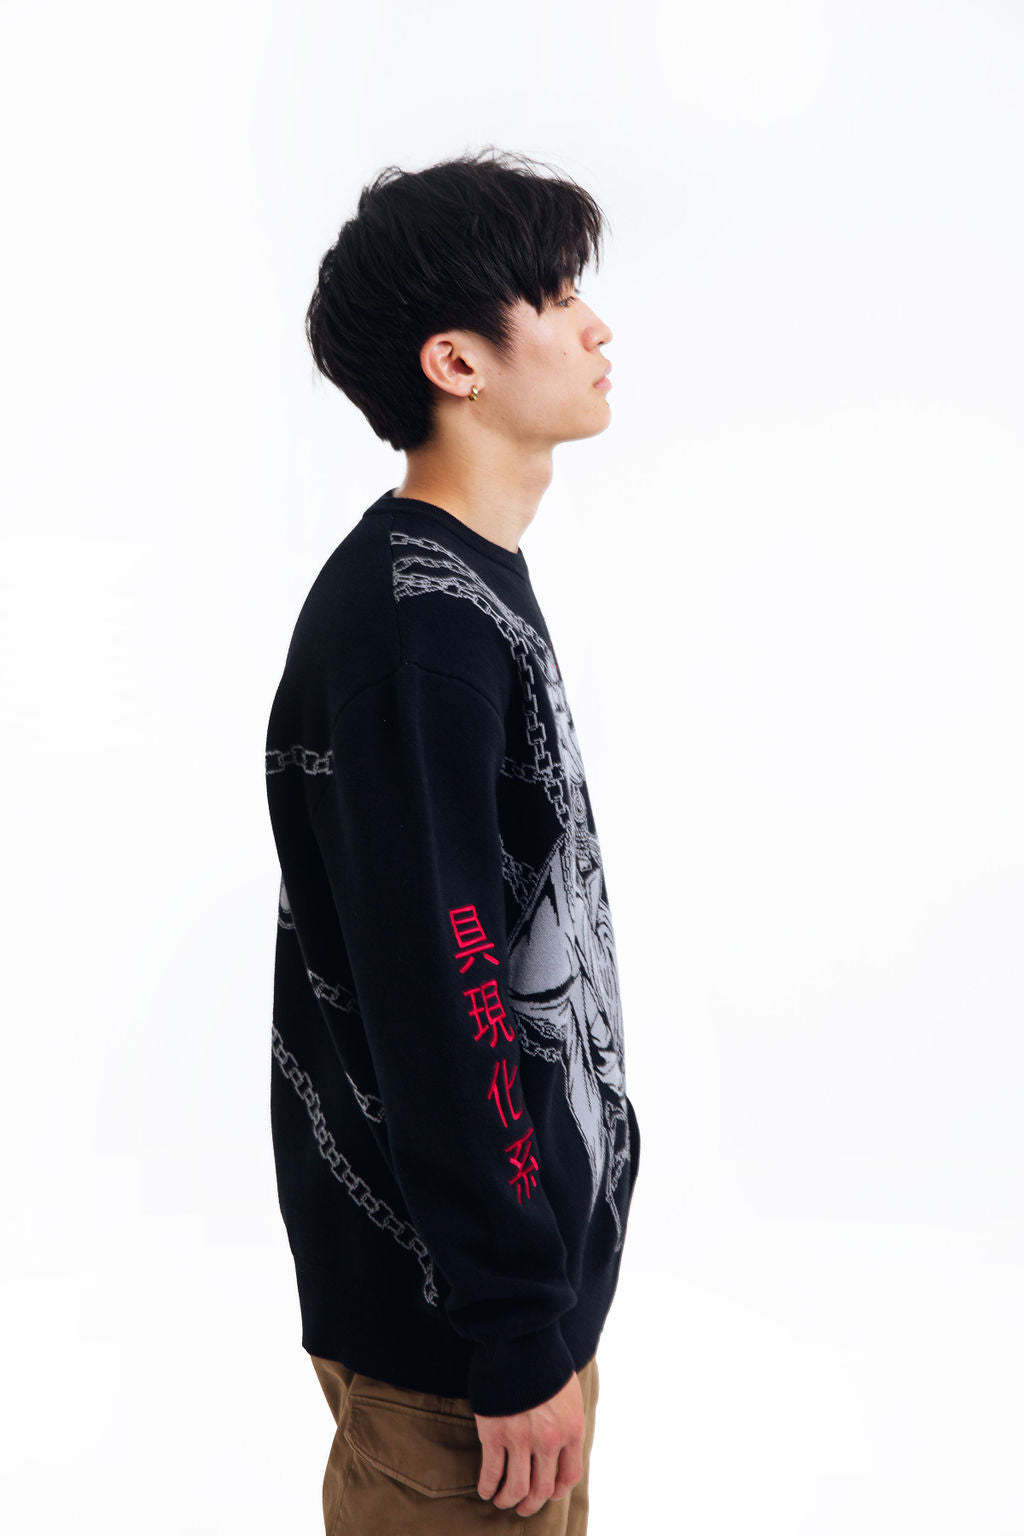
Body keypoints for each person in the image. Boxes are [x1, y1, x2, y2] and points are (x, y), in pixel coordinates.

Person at [264, 146, 641, 1533]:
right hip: (458, 1353)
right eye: (557, 296)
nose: (596, 327)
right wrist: (514, 1327)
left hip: (498, 1312)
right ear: (457, 361)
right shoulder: (415, 630)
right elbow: (441, 988)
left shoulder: (453, 585)